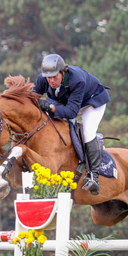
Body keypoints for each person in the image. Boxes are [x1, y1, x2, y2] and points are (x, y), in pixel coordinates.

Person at [33, 54, 110, 195]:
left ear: (63, 72)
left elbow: (72, 112)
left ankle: (93, 176)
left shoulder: (77, 80)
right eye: (48, 77)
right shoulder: (43, 79)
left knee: (87, 132)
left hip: (91, 103)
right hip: (67, 101)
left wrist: (49, 107)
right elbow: (31, 97)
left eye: (54, 77)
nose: (51, 81)